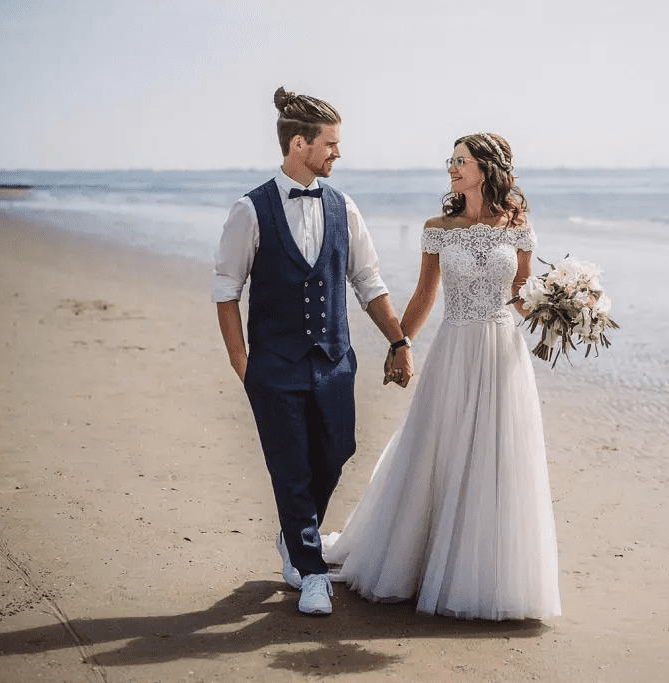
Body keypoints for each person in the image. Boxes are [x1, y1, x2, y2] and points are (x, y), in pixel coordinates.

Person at [325, 132, 562, 620]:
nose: (452, 167)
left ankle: (485, 576)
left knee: (494, 456)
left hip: (501, 354)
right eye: (451, 160)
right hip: (454, 350)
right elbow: (424, 295)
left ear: (486, 168)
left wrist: (559, 307)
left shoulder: (517, 227)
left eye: (462, 160)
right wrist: (400, 342)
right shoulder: (437, 227)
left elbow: (520, 293)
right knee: (439, 448)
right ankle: (418, 562)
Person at [212, 87, 413, 616]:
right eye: (331, 144)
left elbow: (368, 282)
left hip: (333, 364)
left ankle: (293, 537)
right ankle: (311, 570)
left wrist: (398, 338)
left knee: (336, 451)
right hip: (272, 368)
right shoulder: (248, 211)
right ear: (299, 144)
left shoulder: (345, 208)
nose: (338, 154)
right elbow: (226, 292)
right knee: (290, 468)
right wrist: (242, 362)